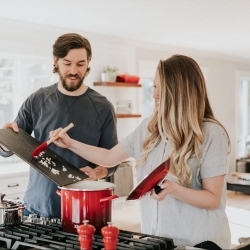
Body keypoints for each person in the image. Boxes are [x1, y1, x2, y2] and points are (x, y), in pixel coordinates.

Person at [52, 54, 231, 249]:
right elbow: (110, 157)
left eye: (159, 88)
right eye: (153, 87)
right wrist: (70, 143)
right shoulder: (149, 128)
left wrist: (174, 189)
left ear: (179, 91)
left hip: (200, 243)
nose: (154, 95)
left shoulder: (212, 133)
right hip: (158, 241)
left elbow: (213, 199)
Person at [0, 33, 119, 218]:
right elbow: (8, 149)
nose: (74, 70)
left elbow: (113, 161)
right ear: (55, 61)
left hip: (82, 210)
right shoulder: (37, 100)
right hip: (35, 207)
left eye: (80, 64)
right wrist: (5, 138)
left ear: (88, 63)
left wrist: (97, 172)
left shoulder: (103, 107)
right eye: (67, 63)